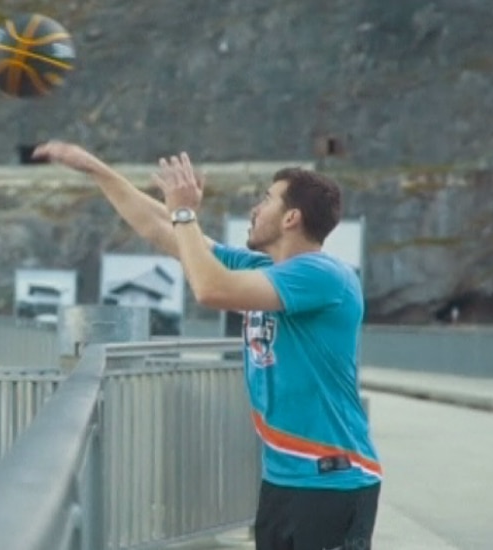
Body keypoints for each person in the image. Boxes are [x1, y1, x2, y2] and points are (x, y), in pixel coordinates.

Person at [33, 141, 382, 550]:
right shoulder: (263, 267)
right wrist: (94, 167)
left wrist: (185, 213)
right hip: (283, 477)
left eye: (265, 200)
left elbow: (211, 288)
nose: (255, 208)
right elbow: (158, 228)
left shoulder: (323, 275)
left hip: (333, 481)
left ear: (291, 217)